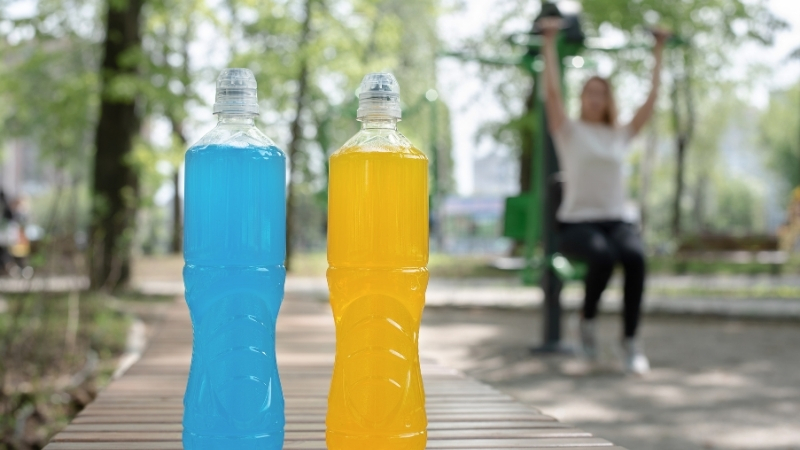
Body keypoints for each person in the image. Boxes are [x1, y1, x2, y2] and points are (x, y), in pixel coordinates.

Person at [539, 17, 669, 374]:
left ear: (609, 98)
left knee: (635, 258)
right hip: (577, 222)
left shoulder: (620, 134)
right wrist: (549, 42)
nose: (595, 98)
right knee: (602, 256)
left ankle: (629, 340)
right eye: (589, 92)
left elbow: (651, 99)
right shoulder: (568, 130)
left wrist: (658, 50)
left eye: (601, 92)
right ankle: (587, 319)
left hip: (617, 218)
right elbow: (551, 93)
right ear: (581, 97)